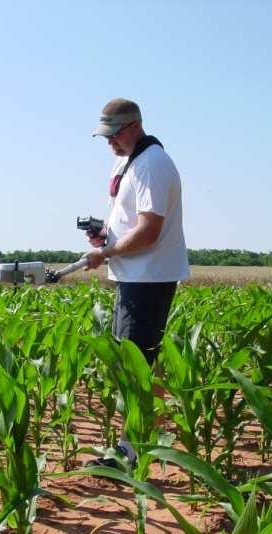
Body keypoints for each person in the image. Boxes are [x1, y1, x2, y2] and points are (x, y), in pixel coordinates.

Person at [84, 97, 189, 467]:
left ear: (134, 126)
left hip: (149, 278)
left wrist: (106, 253)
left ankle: (129, 452)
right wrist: (104, 238)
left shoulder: (153, 164)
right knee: (135, 362)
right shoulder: (128, 161)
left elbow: (148, 233)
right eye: (105, 136)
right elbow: (130, 221)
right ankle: (149, 436)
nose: (109, 142)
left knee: (135, 367)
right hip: (133, 277)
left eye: (113, 134)